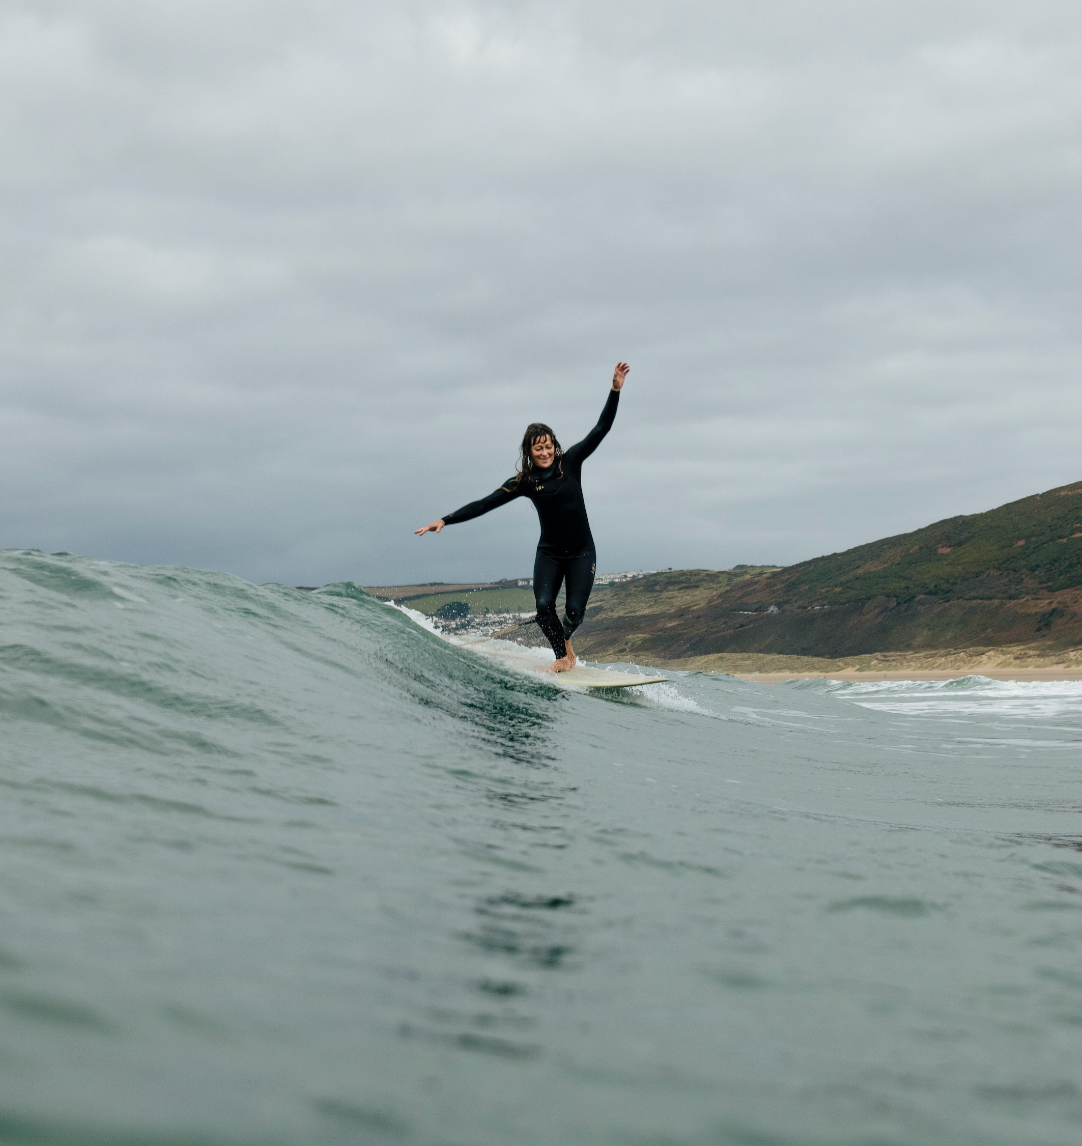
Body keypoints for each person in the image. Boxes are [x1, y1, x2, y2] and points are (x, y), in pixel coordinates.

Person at [415, 362, 629, 672]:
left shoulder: (571, 463)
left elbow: (600, 429)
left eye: (548, 446)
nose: (544, 452)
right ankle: (563, 658)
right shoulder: (525, 482)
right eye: (537, 449)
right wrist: (446, 520)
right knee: (544, 608)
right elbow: (486, 503)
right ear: (529, 453)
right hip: (550, 554)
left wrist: (615, 391)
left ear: (555, 446)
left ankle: (566, 644)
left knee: (574, 613)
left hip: (582, 552)